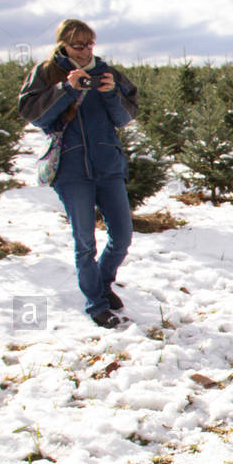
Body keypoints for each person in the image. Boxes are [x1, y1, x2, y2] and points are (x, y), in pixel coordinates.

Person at [18, 19, 139, 328]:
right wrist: (67, 90)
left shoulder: (106, 72)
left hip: (108, 166)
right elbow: (34, 115)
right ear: (63, 45)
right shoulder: (47, 73)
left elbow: (125, 117)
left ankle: (103, 281)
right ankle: (96, 303)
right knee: (84, 242)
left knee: (122, 236)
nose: (85, 51)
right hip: (71, 171)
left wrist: (112, 94)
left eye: (89, 44)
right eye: (77, 45)